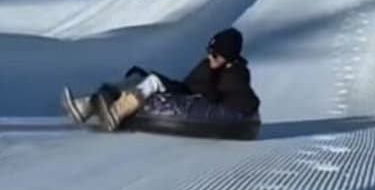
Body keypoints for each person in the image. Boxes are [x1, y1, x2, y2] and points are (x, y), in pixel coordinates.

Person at [62, 28, 260, 132]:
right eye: (209, 53)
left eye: (215, 55)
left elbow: (222, 97)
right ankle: (85, 106)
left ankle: (117, 112)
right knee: (140, 77)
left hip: (190, 100)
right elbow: (190, 83)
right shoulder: (211, 65)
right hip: (185, 93)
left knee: (153, 81)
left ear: (229, 57)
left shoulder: (236, 74)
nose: (210, 58)